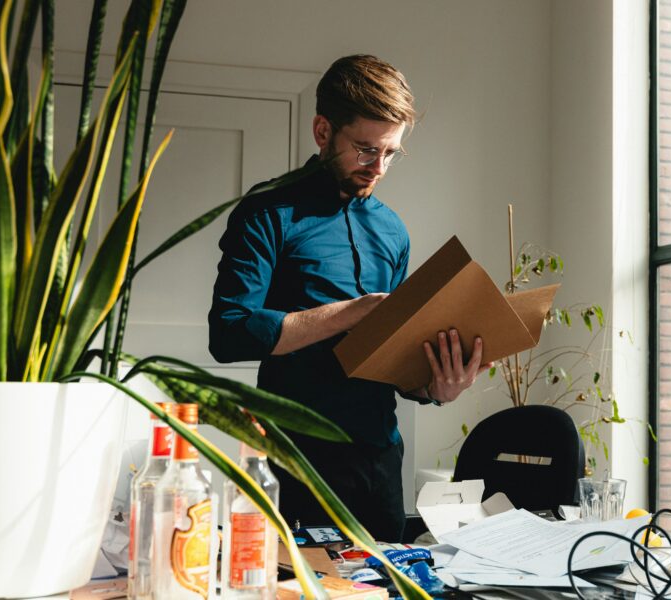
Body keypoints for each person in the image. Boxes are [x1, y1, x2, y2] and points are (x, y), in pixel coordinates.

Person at [208, 55, 488, 541]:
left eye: (390, 153)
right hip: (295, 461)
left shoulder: (393, 231)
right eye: (364, 149)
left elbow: (394, 365)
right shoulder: (267, 212)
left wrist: (436, 389)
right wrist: (351, 314)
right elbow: (229, 332)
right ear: (322, 131)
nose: (377, 167)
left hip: (379, 465)